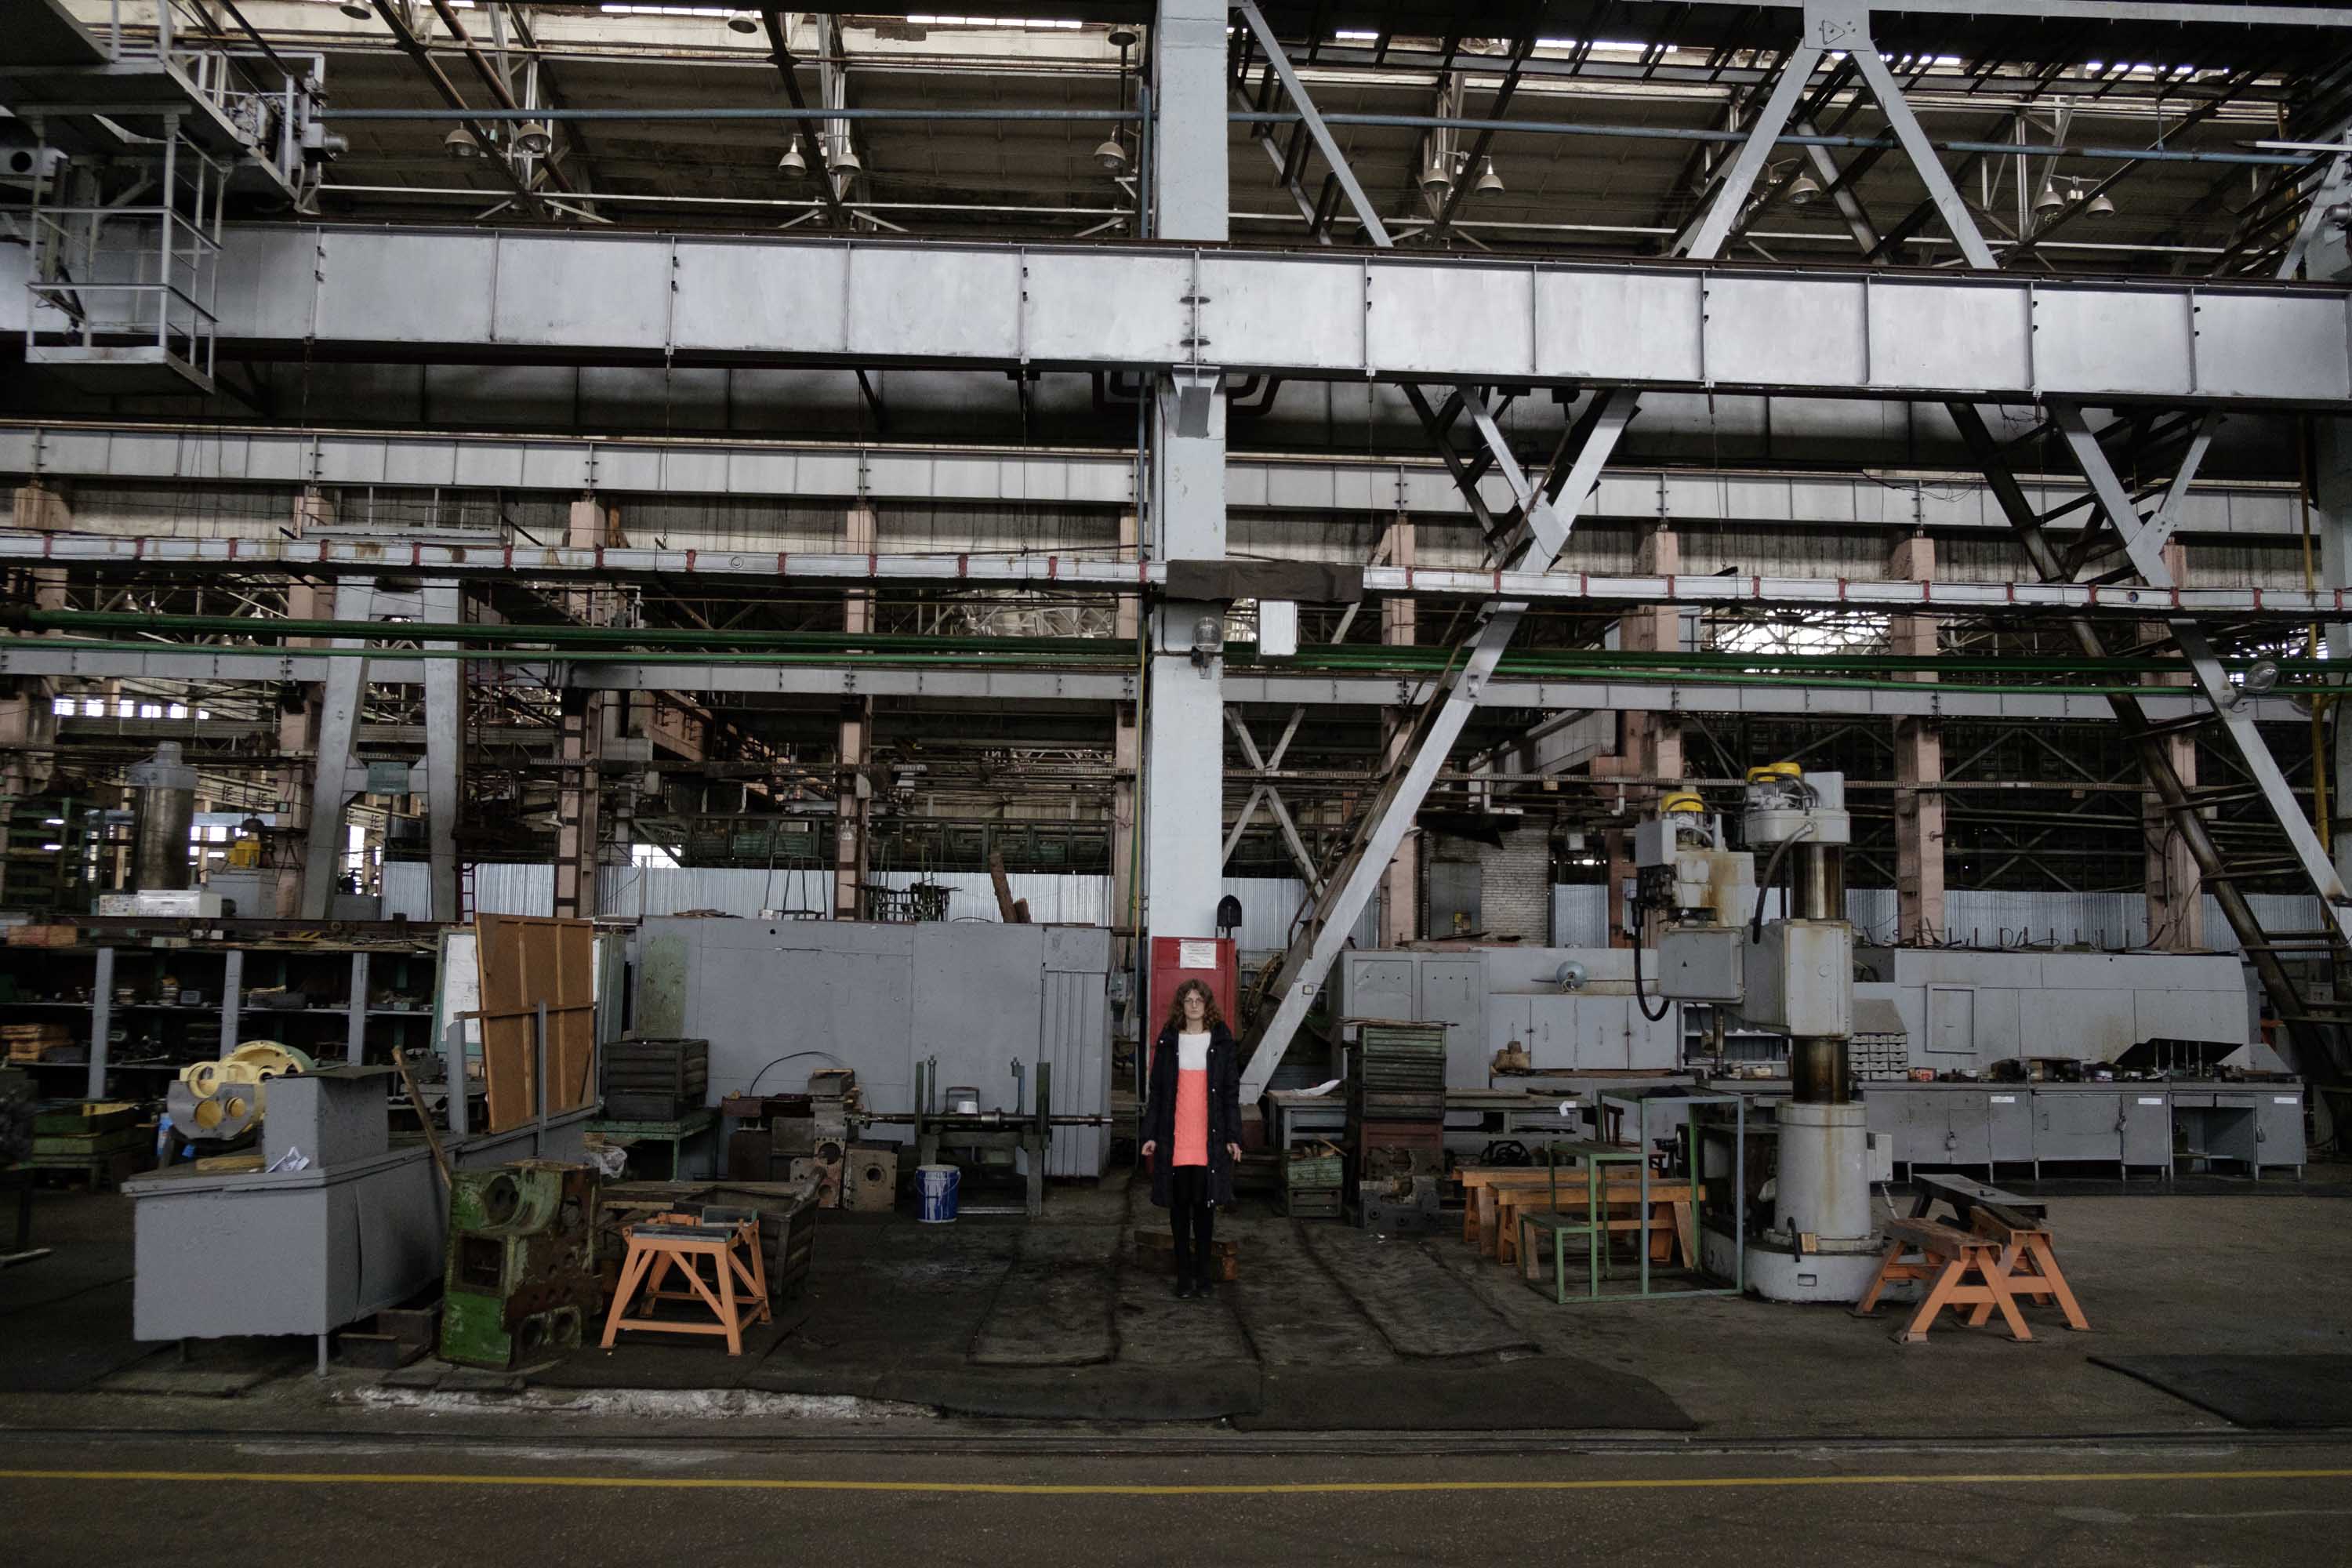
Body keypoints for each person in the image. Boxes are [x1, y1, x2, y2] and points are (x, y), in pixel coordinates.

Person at [1140, 978, 1242, 1299]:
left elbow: (1230, 1095)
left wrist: (1233, 1137)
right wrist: (1150, 1135)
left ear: (1207, 1005)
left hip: (1208, 1141)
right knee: (1180, 1210)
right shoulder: (1169, 1041)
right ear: (1181, 1006)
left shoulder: (1221, 1042)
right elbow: (1157, 1093)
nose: (1194, 1005)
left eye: (1199, 1000)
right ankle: (1184, 1278)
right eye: (1188, 1000)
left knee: (1205, 1210)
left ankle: (1204, 1277)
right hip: (1176, 1140)